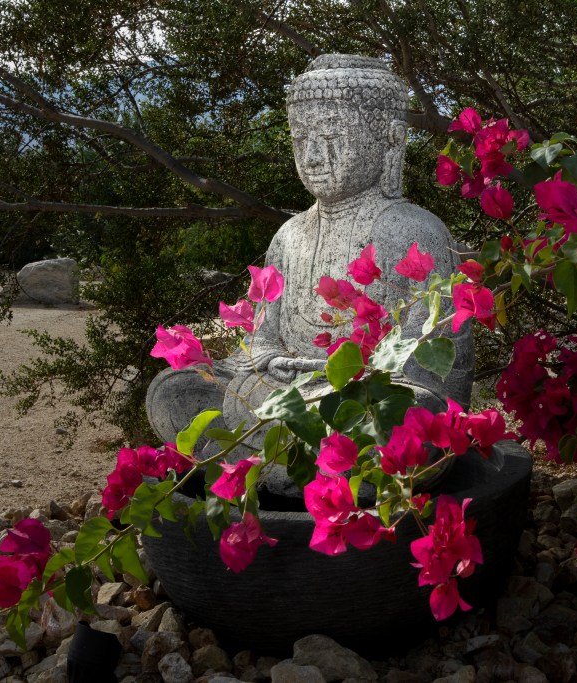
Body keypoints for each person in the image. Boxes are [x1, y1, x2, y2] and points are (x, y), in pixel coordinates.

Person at [146, 54, 473, 456]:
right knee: (173, 390)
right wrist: (269, 357)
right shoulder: (288, 236)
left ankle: (271, 458)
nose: (313, 156)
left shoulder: (418, 232)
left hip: (363, 397)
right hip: (283, 391)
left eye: (332, 137)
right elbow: (260, 338)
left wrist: (349, 376)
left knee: (407, 415)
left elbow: (436, 370)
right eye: (301, 139)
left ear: (391, 139)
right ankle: (291, 458)